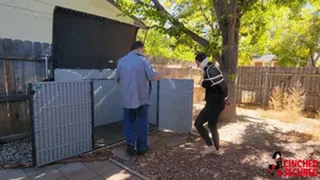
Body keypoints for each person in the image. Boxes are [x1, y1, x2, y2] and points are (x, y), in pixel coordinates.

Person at [115, 41, 170, 156]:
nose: (144, 53)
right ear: (139, 48)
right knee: (142, 123)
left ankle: (130, 145)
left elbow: (118, 81)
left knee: (128, 122)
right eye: (143, 50)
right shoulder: (143, 61)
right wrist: (164, 72)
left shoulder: (121, 61)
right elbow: (154, 77)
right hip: (141, 99)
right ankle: (142, 148)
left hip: (127, 99)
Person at [194, 52, 231, 155]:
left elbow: (224, 86)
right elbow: (219, 86)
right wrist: (225, 98)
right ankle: (217, 149)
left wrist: (226, 98)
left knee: (198, 124)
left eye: (197, 63)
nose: (196, 65)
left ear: (201, 62)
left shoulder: (211, 71)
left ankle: (211, 147)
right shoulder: (210, 69)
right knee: (212, 125)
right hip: (216, 103)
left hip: (214, 105)